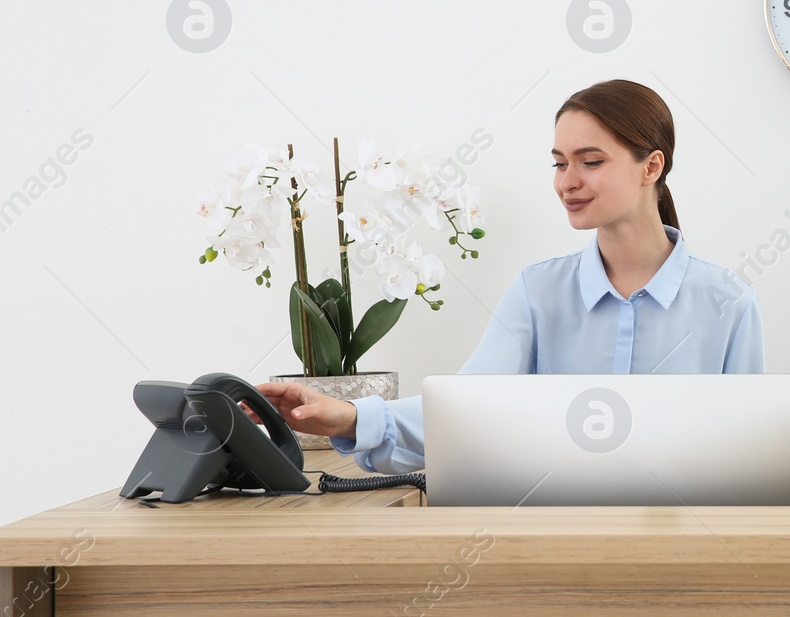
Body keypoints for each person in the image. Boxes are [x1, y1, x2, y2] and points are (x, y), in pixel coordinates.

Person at [254, 79, 764, 473]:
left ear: (651, 166)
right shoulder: (538, 293)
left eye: (590, 161)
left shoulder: (728, 301)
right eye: (559, 163)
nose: (568, 182)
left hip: (685, 547)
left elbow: (749, 453)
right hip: (552, 545)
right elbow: (468, 409)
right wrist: (349, 416)